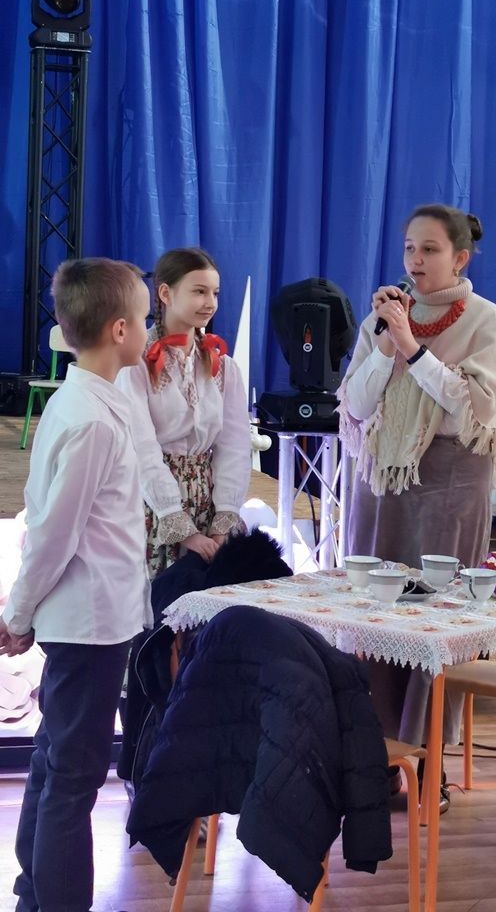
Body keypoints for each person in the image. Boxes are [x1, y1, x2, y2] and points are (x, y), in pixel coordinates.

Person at [338, 203, 496, 808]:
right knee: (376, 614)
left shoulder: (486, 319)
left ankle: (430, 763)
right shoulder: (384, 317)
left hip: (451, 481)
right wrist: (386, 347)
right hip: (383, 480)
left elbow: (476, 411)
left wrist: (414, 349)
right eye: (409, 248)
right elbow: (356, 405)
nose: (415, 261)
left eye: (430, 250)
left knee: (436, 620)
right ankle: (376, 759)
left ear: (460, 257)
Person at [0, 258, 153, 912]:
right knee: (74, 776)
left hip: (92, 617)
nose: (148, 330)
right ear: (119, 330)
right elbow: (53, 532)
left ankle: (34, 889)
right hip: (89, 623)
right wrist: (18, 613)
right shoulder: (89, 417)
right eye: (144, 319)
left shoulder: (87, 401)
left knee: (55, 760)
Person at [117, 247, 252, 578]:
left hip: (207, 503)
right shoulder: (135, 363)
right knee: (158, 599)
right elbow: (141, 449)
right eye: (199, 291)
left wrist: (223, 519)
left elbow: (235, 446)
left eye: (215, 293)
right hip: (152, 504)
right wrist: (178, 524)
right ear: (165, 293)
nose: (210, 302)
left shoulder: (223, 367)